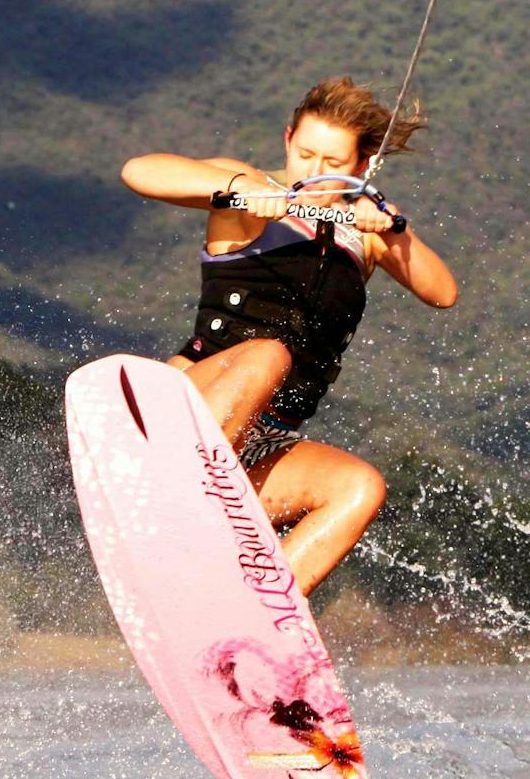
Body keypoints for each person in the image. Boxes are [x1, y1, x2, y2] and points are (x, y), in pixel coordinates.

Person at [120, 77, 458, 595]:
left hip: (257, 448)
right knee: (267, 356)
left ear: (362, 167)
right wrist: (240, 191)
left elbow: (443, 292)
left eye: (333, 162)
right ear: (287, 140)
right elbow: (138, 172)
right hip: (186, 415)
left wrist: (391, 228)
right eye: (305, 153)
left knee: (360, 487)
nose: (315, 171)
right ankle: (174, 501)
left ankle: (256, 610)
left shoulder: (363, 234)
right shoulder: (247, 188)